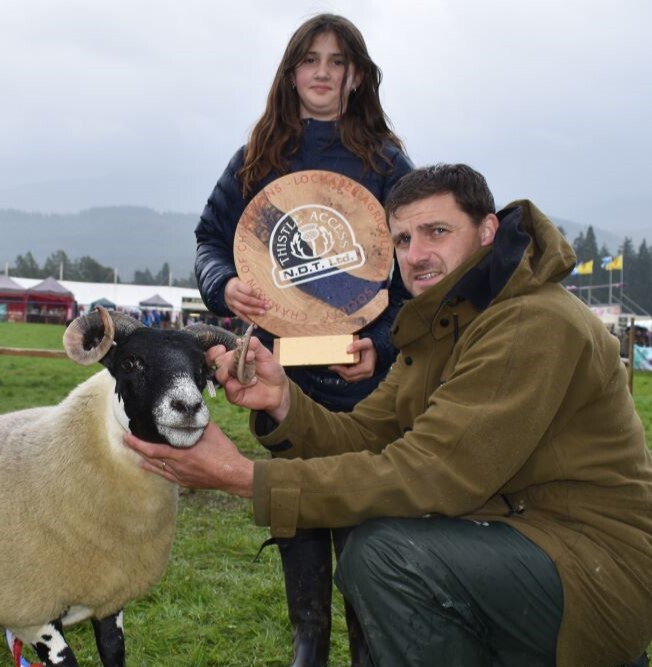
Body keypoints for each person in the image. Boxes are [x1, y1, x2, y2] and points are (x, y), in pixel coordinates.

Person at [132, 164, 652, 666]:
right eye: (404, 240)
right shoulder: (446, 321)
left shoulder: (531, 322)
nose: (415, 255)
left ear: (487, 231)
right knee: (385, 537)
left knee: (384, 554)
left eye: (437, 232)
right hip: (516, 535)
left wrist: (241, 478)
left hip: (596, 571)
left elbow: (430, 472)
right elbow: (368, 435)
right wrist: (284, 402)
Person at [193, 13, 413, 666]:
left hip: (363, 394)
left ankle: (370, 652)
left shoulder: (388, 162)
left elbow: (417, 271)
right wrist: (224, 284)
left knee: (367, 539)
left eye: (336, 61)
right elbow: (210, 238)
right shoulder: (258, 157)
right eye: (310, 59)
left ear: (355, 77)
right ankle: (307, 647)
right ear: (291, 73)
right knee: (300, 527)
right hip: (281, 383)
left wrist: (387, 344)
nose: (322, 71)